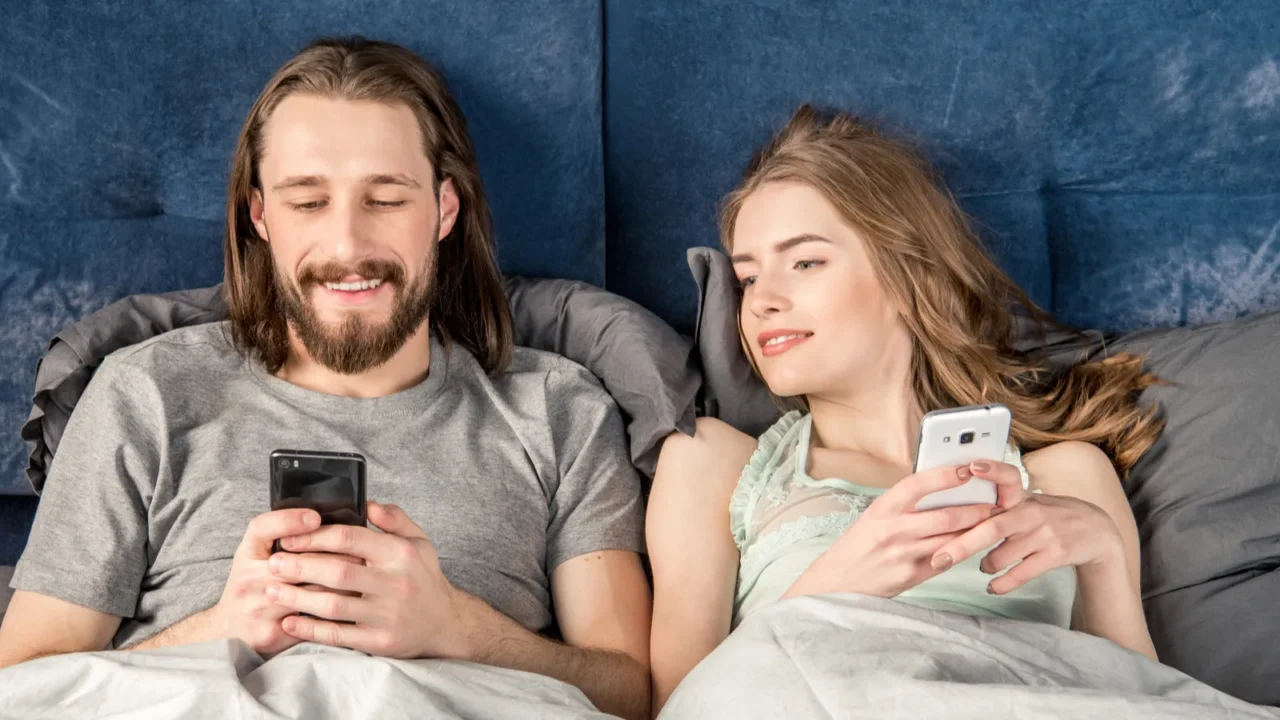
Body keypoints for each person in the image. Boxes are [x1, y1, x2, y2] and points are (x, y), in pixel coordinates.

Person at [0, 37, 651, 720]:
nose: (347, 247)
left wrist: (454, 629)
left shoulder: (557, 410)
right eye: (308, 202)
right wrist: (219, 631)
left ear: (445, 210)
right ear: (260, 217)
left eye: (387, 199)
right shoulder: (146, 393)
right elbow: (22, 687)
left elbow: (629, 691)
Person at [647, 104, 1164, 712]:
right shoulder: (713, 463)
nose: (763, 301)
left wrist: (1103, 557)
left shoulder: (1070, 476)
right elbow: (677, 710)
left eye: (805, 262)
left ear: (906, 273)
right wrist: (828, 590)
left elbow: (1152, 700)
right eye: (750, 278)